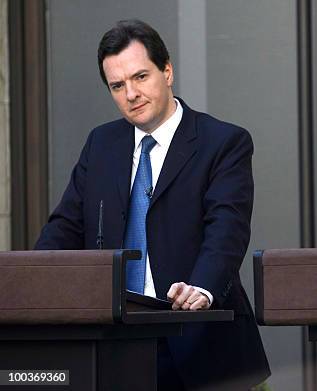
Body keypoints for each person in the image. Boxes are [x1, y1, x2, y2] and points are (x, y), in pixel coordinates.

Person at [35, 19, 270, 390]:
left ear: (167, 71)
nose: (131, 94)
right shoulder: (101, 144)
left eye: (141, 77)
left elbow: (227, 227)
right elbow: (65, 226)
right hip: (113, 345)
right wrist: (33, 282)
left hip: (201, 343)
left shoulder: (223, 141)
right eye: (118, 85)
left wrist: (202, 288)